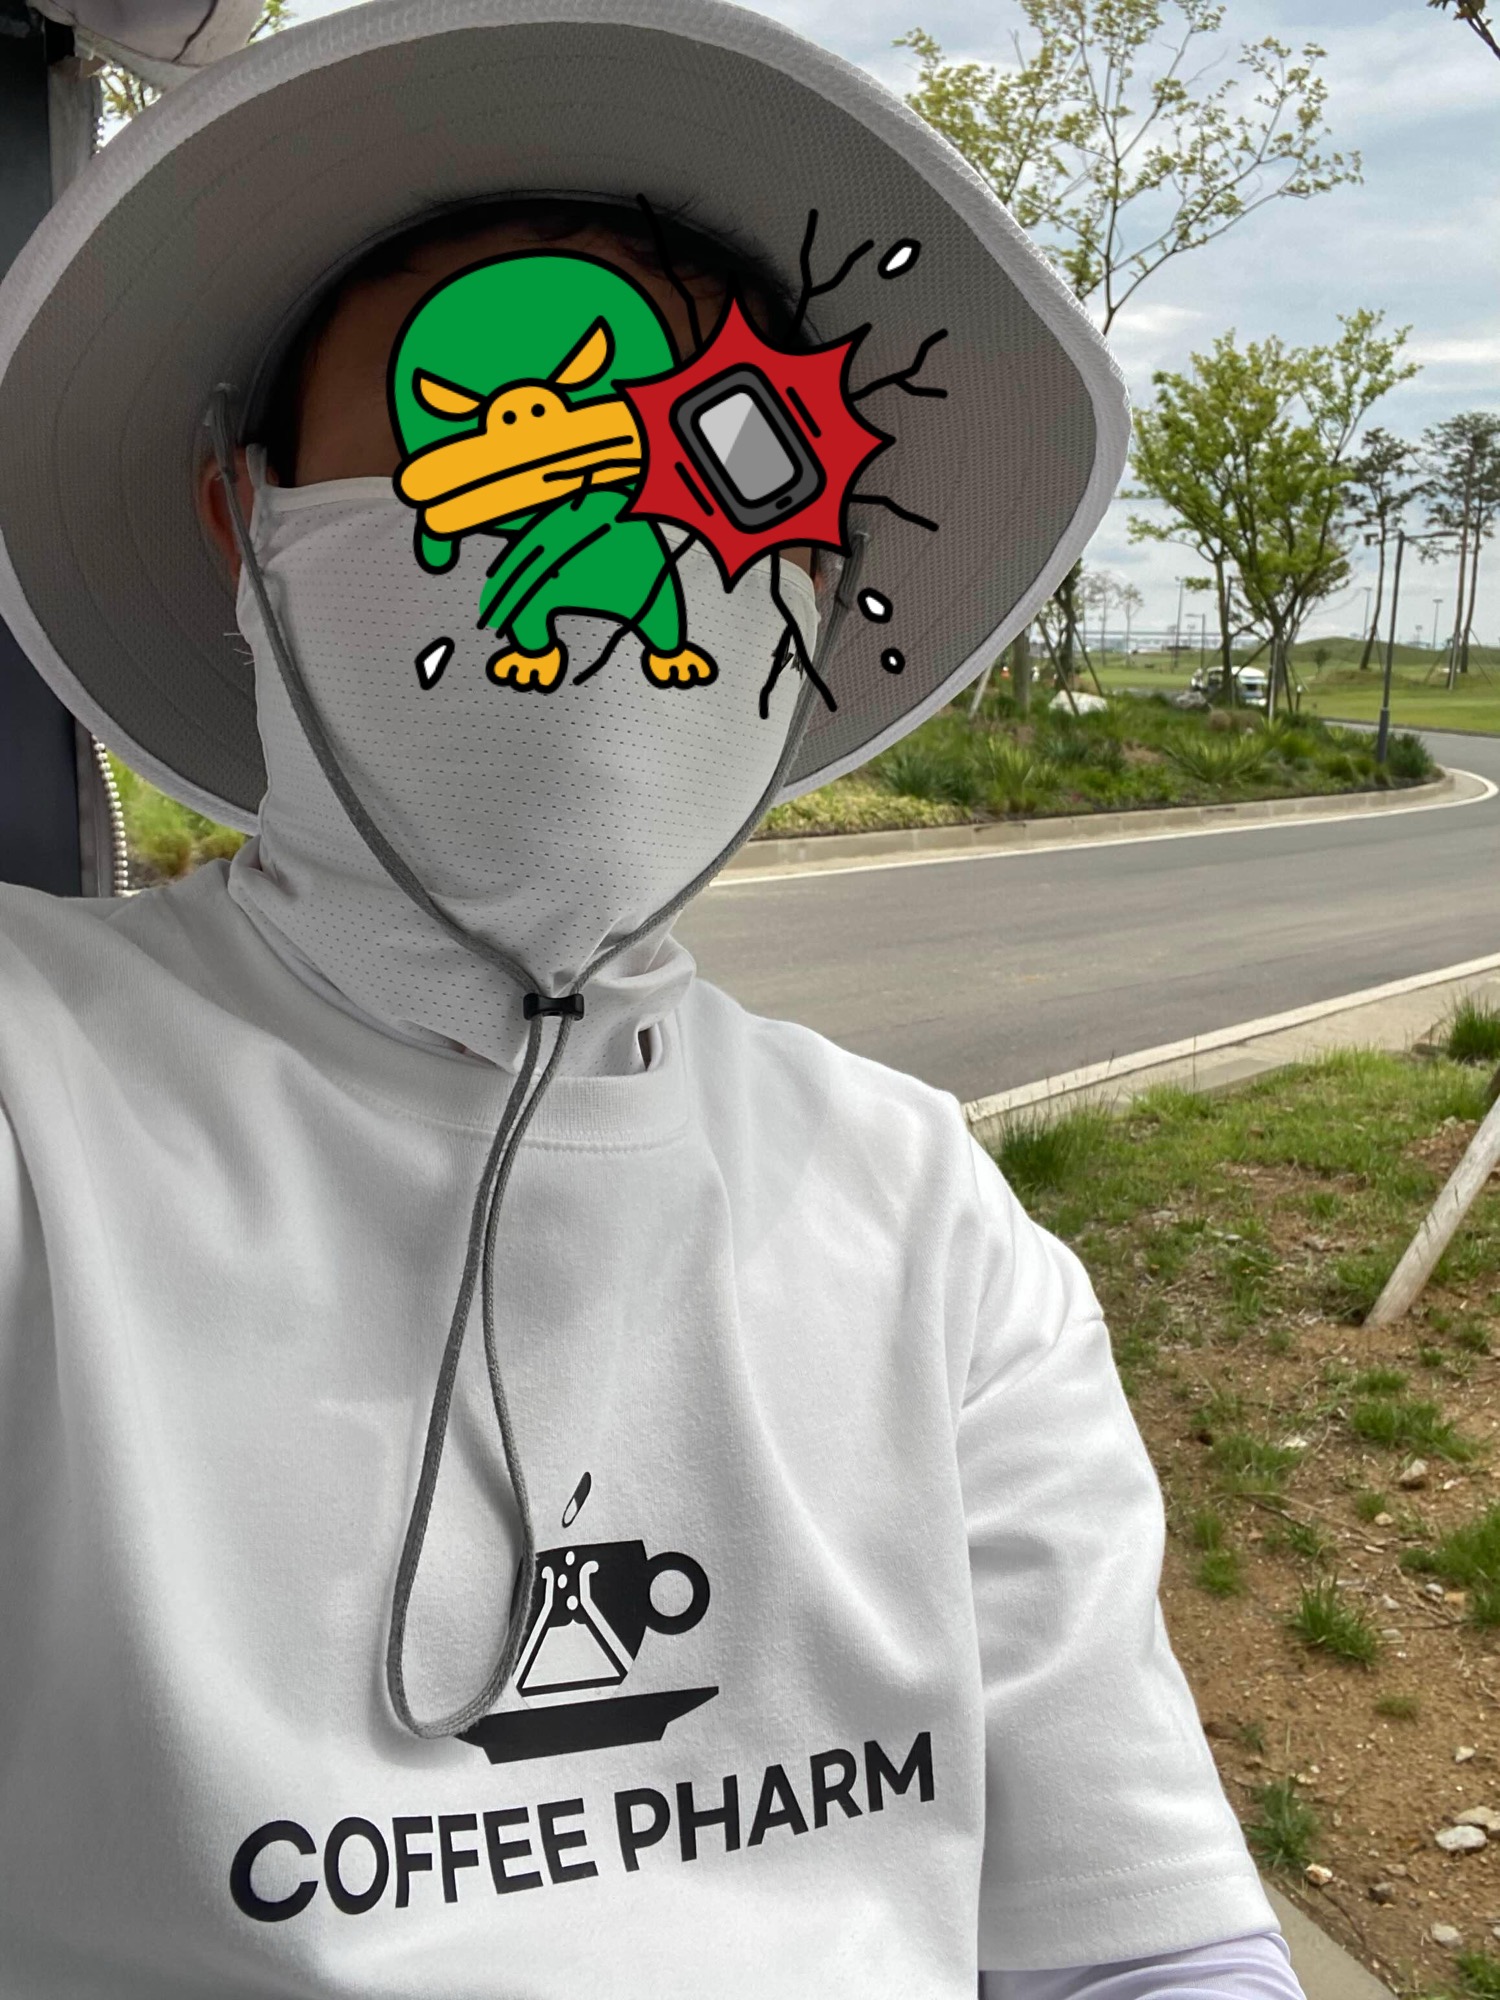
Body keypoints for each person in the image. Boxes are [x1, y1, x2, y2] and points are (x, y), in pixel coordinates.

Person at [0, 3, 1307, 1994]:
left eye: (711, 449)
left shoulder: (928, 1219)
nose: (597, 507)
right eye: (469, 441)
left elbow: (1139, 1945)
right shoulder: (38, 1095)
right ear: (244, 523)